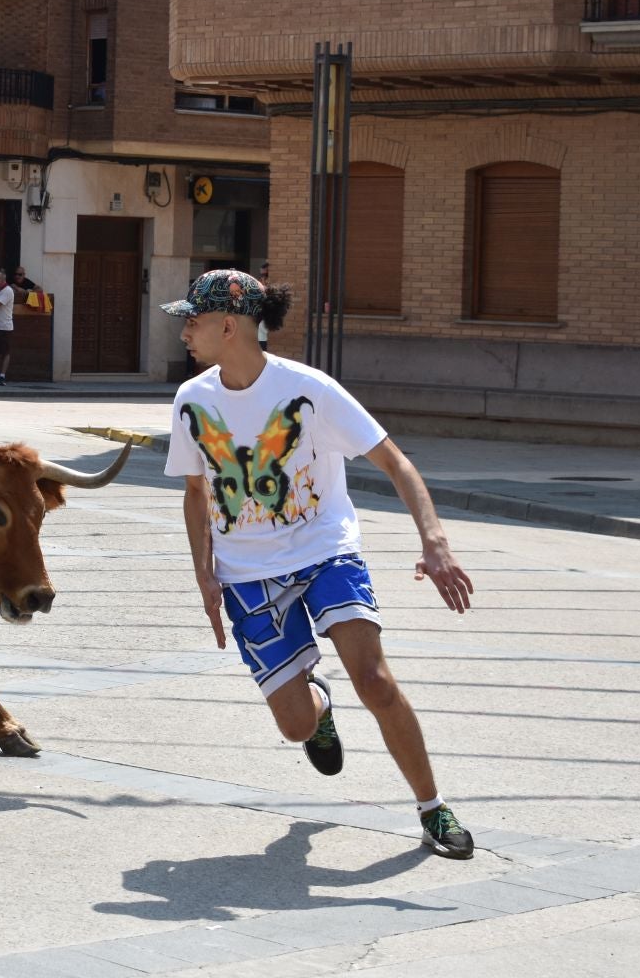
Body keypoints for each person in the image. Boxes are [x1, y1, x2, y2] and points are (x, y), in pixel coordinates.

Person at [161, 269, 477, 861]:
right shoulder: (192, 401)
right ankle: (319, 708)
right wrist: (204, 575)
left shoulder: (310, 391)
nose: (184, 333)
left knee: (376, 682)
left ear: (229, 326)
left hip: (326, 549)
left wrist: (434, 541)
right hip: (246, 573)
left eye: (193, 321)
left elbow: (396, 463)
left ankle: (432, 808)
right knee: (296, 726)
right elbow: (195, 491)